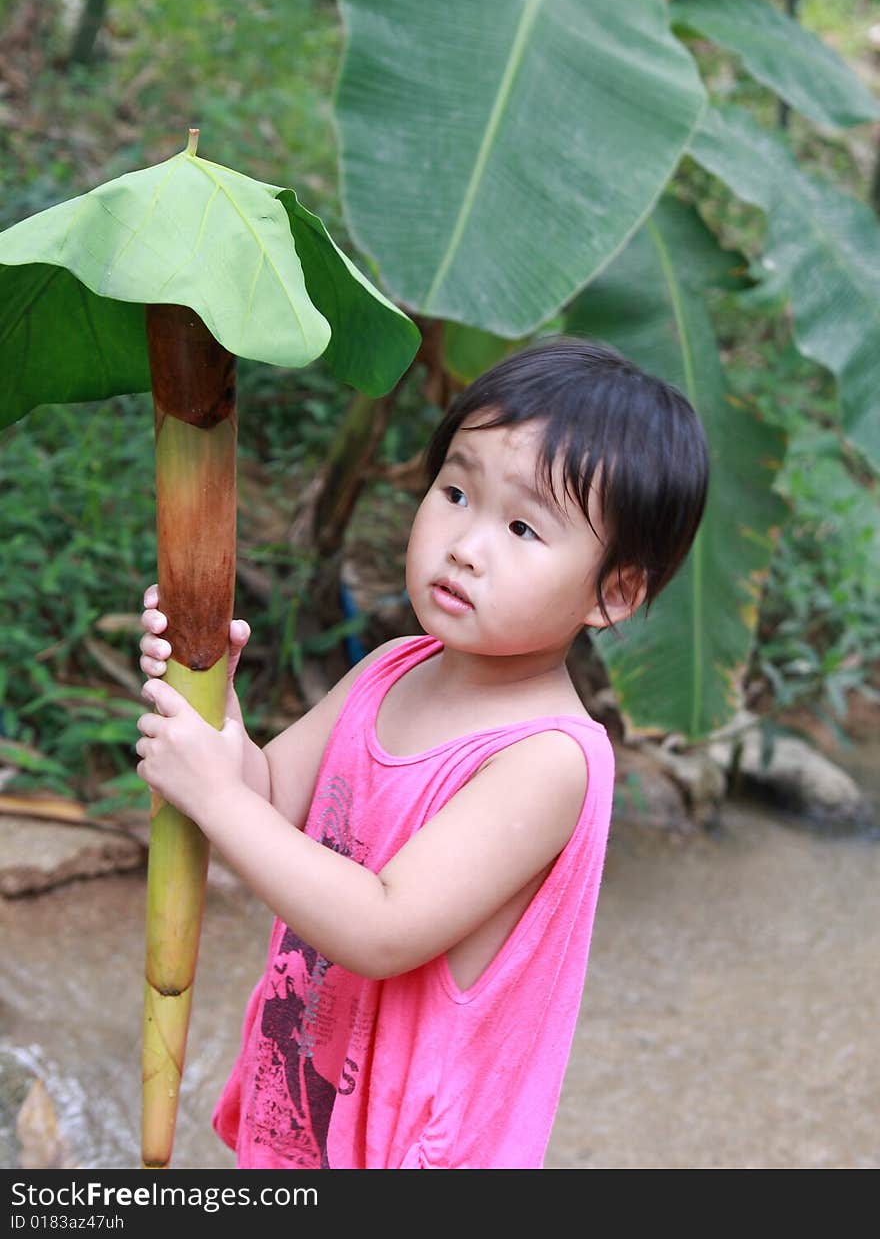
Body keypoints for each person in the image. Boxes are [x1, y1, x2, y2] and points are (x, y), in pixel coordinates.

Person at [135, 336, 709, 1170]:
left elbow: (383, 926)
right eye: (454, 492)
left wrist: (214, 795)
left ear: (614, 592)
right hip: (305, 1104)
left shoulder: (547, 760)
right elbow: (268, 798)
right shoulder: (386, 671)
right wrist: (208, 697)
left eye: (522, 525)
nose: (466, 545)